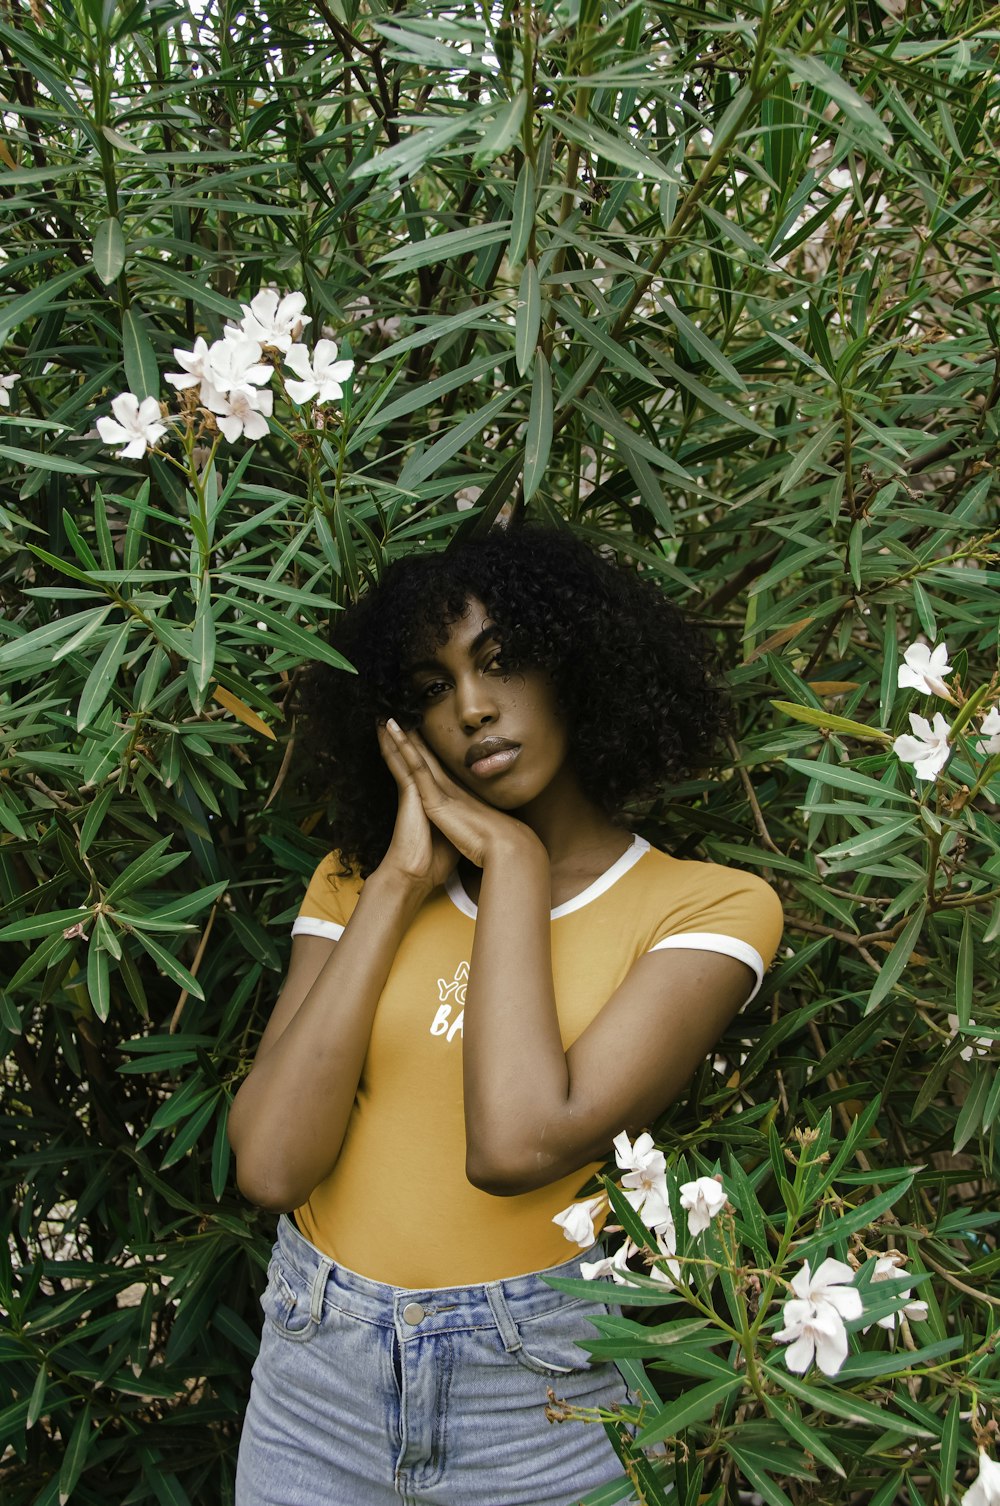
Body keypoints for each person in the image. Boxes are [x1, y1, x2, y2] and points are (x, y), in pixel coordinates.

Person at [229, 523, 783, 1506]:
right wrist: (402, 880)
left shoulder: (708, 908)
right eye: (432, 687)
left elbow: (518, 1144)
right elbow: (271, 1165)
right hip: (318, 1373)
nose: (474, 709)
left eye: (501, 662)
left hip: (540, 1396)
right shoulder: (357, 883)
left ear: (575, 667)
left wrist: (515, 865)